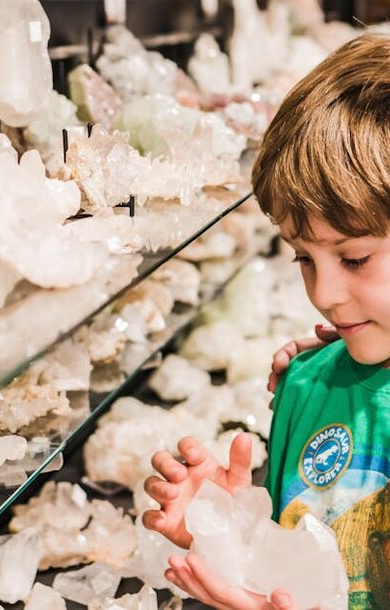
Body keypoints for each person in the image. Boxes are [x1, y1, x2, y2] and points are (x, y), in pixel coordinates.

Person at [143, 33, 390, 610]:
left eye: (354, 258)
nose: (324, 294)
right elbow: (306, 555)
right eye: (303, 257)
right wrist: (234, 532)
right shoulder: (308, 383)